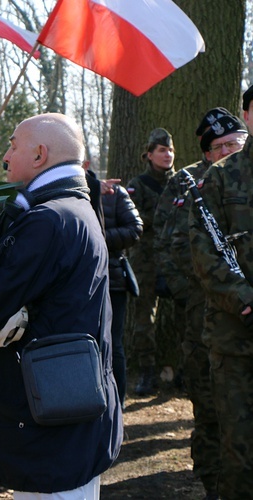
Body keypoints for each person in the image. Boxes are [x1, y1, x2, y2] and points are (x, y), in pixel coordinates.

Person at [0, 113, 122, 498]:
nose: (6, 155)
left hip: (55, 429)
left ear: (40, 154)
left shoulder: (49, 219)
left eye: (13, 145)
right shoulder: (73, 206)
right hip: (63, 418)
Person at [155, 109, 245, 500]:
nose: (226, 151)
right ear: (206, 153)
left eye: (233, 144)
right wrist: (189, 294)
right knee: (211, 409)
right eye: (218, 147)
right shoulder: (191, 182)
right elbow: (173, 244)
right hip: (205, 314)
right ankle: (213, 481)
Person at [188, 85, 253, 500]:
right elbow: (204, 251)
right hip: (237, 342)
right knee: (241, 454)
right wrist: (243, 298)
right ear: (247, 116)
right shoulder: (222, 177)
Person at [126, 128, 176, 395]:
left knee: (186, 314)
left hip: (176, 257)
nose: (167, 155)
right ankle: (147, 371)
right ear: (149, 154)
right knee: (144, 317)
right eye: (161, 150)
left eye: (170, 150)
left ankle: (183, 370)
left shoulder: (181, 182)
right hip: (145, 258)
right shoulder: (139, 184)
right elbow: (135, 219)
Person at [103, 183, 143, 408]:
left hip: (113, 280)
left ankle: (117, 405)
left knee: (113, 343)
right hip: (75, 282)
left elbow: (134, 228)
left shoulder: (114, 193)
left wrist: (97, 236)